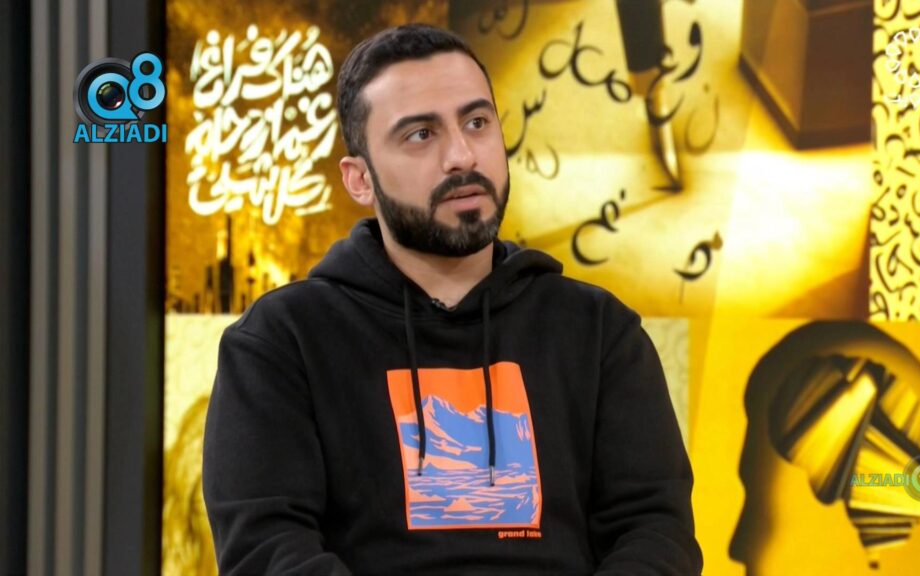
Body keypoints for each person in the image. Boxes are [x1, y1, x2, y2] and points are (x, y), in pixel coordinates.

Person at [203, 23, 702, 575]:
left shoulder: (598, 330)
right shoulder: (282, 340)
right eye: (421, 134)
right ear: (359, 180)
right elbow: (266, 549)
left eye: (477, 123)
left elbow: (655, 533)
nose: (461, 156)